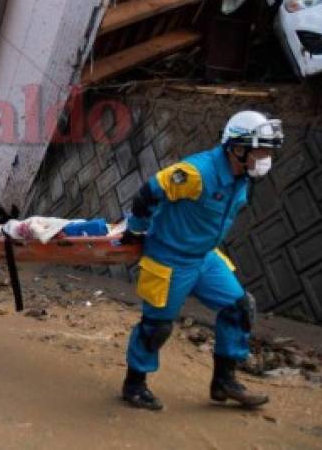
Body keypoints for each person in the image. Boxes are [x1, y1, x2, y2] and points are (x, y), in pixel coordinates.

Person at [120, 111, 284, 411]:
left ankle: (224, 382)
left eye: (269, 151)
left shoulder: (241, 177)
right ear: (237, 147)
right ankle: (134, 384)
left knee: (240, 307)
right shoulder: (196, 173)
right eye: (261, 150)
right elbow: (149, 192)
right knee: (156, 326)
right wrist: (137, 228)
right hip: (169, 258)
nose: (266, 157)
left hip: (204, 258)